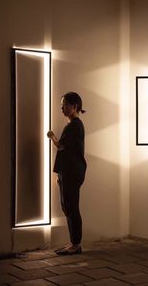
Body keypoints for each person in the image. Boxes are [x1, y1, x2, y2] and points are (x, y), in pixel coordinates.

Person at [47, 92, 87, 255]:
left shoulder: (74, 125)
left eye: (65, 104)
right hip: (68, 171)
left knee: (71, 207)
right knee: (67, 207)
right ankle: (73, 243)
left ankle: (76, 244)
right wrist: (60, 175)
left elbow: (61, 146)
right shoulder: (73, 124)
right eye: (62, 105)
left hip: (72, 171)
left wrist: (51, 136)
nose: (62, 108)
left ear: (75, 106)